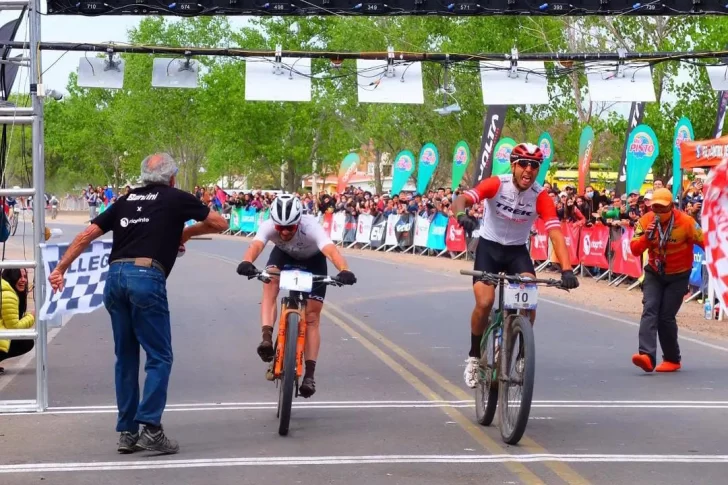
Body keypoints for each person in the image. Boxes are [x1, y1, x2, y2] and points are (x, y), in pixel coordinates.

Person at [48, 153, 227, 455]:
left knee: (126, 357)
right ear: (172, 178)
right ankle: (152, 429)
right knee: (160, 356)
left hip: (115, 278)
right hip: (146, 277)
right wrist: (187, 231)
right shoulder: (176, 197)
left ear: (144, 177)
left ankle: (127, 432)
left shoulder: (125, 201)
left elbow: (87, 234)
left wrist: (60, 269)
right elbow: (219, 223)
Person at [452, 142, 580, 388]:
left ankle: (521, 352)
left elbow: (556, 234)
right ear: (513, 165)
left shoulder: (541, 196)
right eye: (523, 164)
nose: (528, 170)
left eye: (534, 165)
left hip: (516, 252)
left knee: (529, 296)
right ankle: (474, 356)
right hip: (488, 248)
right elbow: (461, 201)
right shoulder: (496, 184)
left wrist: (567, 269)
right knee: (485, 301)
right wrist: (461, 216)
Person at [236, 194, 357, 398]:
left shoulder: (311, 227)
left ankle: (309, 376)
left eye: (289, 228)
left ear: (298, 221)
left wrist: (344, 269)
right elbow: (256, 245)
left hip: (313, 261)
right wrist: (246, 262)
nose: (283, 232)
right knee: (269, 281)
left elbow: (330, 250)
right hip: (284, 256)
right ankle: (266, 339)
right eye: (279, 227)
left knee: (312, 317)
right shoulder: (268, 225)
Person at [629, 188, 704, 373]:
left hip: (679, 275)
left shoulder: (687, 222)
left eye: (663, 208)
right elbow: (635, 249)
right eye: (655, 207)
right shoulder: (645, 221)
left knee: (666, 317)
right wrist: (647, 236)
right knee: (650, 308)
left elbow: (707, 242)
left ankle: (672, 359)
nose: (659, 212)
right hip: (654, 273)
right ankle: (646, 355)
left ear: (671, 206)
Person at [0, 268, 35, 374]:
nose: (23, 280)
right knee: (26, 340)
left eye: (25, 276)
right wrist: (31, 316)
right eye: (19, 276)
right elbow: (14, 327)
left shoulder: (8, 291)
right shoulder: (8, 295)